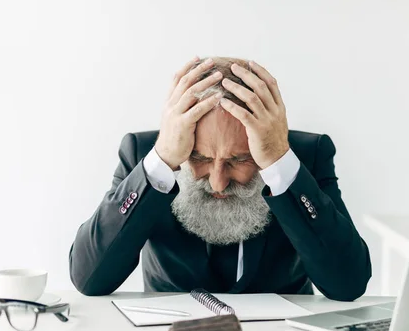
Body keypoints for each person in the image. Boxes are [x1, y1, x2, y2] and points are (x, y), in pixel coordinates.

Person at [69, 56, 372, 301]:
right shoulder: (143, 154)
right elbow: (89, 278)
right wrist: (162, 160)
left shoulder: (307, 155)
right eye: (199, 158)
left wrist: (278, 161)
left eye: (239, 160)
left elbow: (349, 284)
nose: (217, 182)